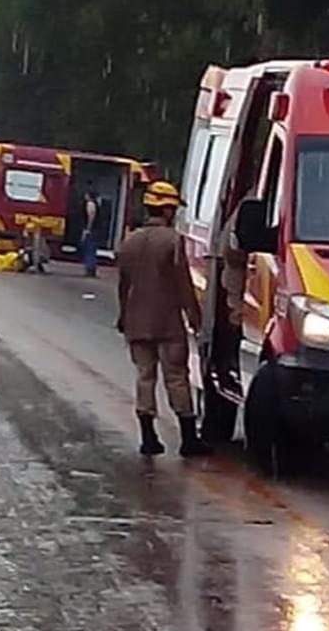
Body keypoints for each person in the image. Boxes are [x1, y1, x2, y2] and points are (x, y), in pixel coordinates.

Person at [117, 180, 211, 457]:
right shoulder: (173, 241)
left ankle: (148, 438)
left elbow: (123, 286)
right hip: (168, 324)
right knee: (177, 378)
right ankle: (188, 440)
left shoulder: (129, 241)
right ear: (168, 210)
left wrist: (123, 316)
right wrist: (195, 318)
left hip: (136, 322)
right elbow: (183, 284)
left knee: (144, 377)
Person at [81, 187, 99, 277]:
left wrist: (88, 229)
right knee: (92, 249)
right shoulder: (95, 204)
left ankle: (90, 269)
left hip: (91, 230)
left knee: (89, 249)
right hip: (95, 229)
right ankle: (91, 268)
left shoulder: (90, 204)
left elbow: (91, 216)